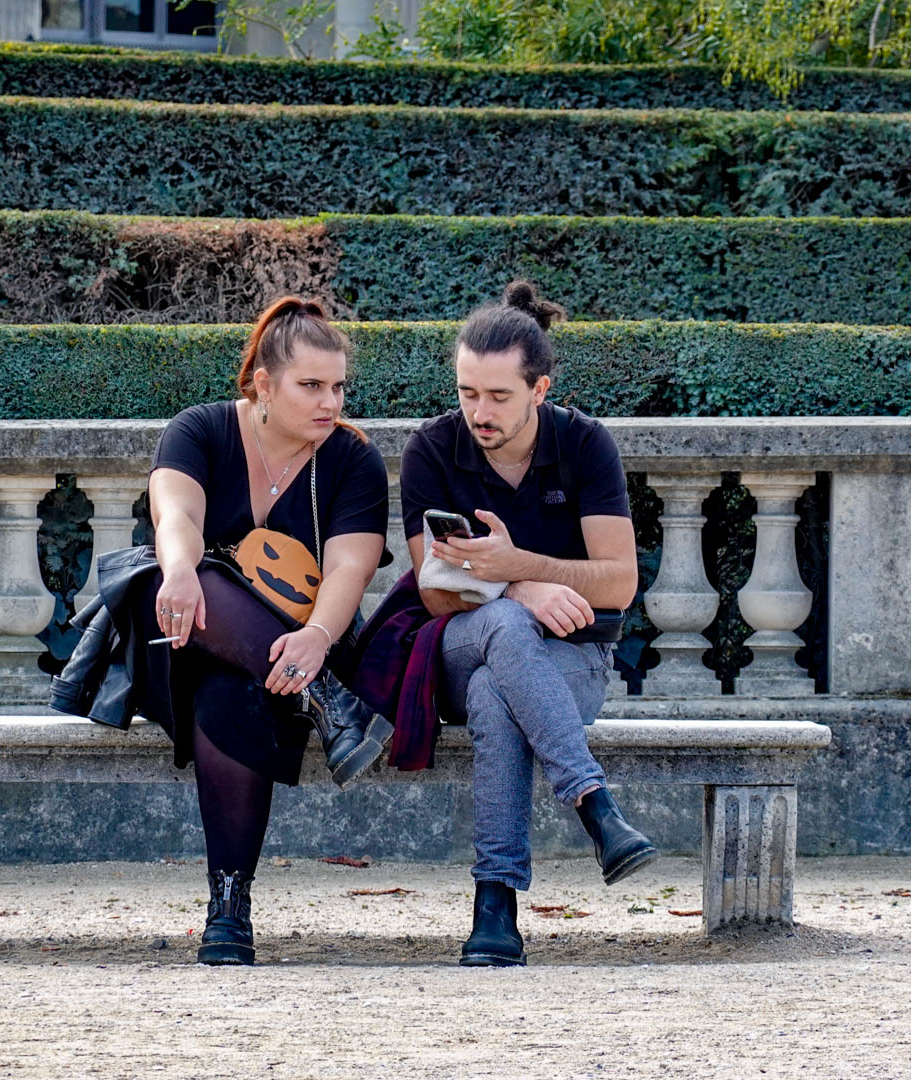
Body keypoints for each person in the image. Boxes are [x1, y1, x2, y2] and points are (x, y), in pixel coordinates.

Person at [400, 281, 659, 968]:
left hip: (573, 656)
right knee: (506, 631)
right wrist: (517, 587)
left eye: (498, 396)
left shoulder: (584, 444)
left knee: (498, 693)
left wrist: (522, 563)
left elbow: (620, 582)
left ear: (539, 389)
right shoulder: (432, 449)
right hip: (461, 642)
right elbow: (436, 595)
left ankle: (494, 907)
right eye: (467, 393)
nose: (478, 412)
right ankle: (595, 807)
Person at [140, 296, 390, 966]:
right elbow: (176, 517)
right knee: (196, 575)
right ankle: (333, 705)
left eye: (338, 386)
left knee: (229, 697)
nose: (330, 402)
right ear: (263, 384)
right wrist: (179, 569)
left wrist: (318, 637)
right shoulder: (199, 430)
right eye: (311, 386)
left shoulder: (352, 460)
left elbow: (351, 566)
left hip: (301, 645)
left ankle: (229, 907)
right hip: (183, 628)